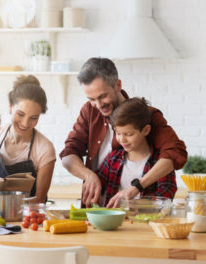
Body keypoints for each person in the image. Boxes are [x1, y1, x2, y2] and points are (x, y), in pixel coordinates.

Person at [60, 57, 187, 207]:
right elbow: (68, 154)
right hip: (98, 207)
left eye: (102, 96)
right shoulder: (89, 110)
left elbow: (175, 152)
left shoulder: (145, 115)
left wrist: (138, 186)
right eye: (91, 99)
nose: (98, 105)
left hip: (140, 212)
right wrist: (88, 175)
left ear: (117, 85)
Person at [97, 97, 177, 208]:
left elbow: (166, 196)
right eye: (118, 133)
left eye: (129, 134)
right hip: (114, 221)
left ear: (146, 130)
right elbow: (98, 187)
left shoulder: (160, 162)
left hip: (146, 222)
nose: (122, 139)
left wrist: (132, 204)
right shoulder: (112, 159)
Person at [0, 75, 56, 203]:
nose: (25, 123)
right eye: (20, 114)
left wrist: (9, 208)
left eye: (34, 118)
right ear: (10, 106)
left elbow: (40, 199)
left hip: (29, 217)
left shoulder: (44, 148)